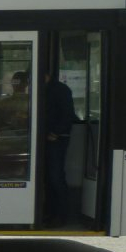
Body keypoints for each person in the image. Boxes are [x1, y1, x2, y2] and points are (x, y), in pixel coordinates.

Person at [44, 72, 78, 227]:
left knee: (55, 177)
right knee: (48, 178)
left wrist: (55, 133)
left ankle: (61, 215)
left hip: (56, 139)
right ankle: (50, 214)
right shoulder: (45, 88)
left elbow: (67, 114)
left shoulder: (60, 90)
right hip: (47, 138)